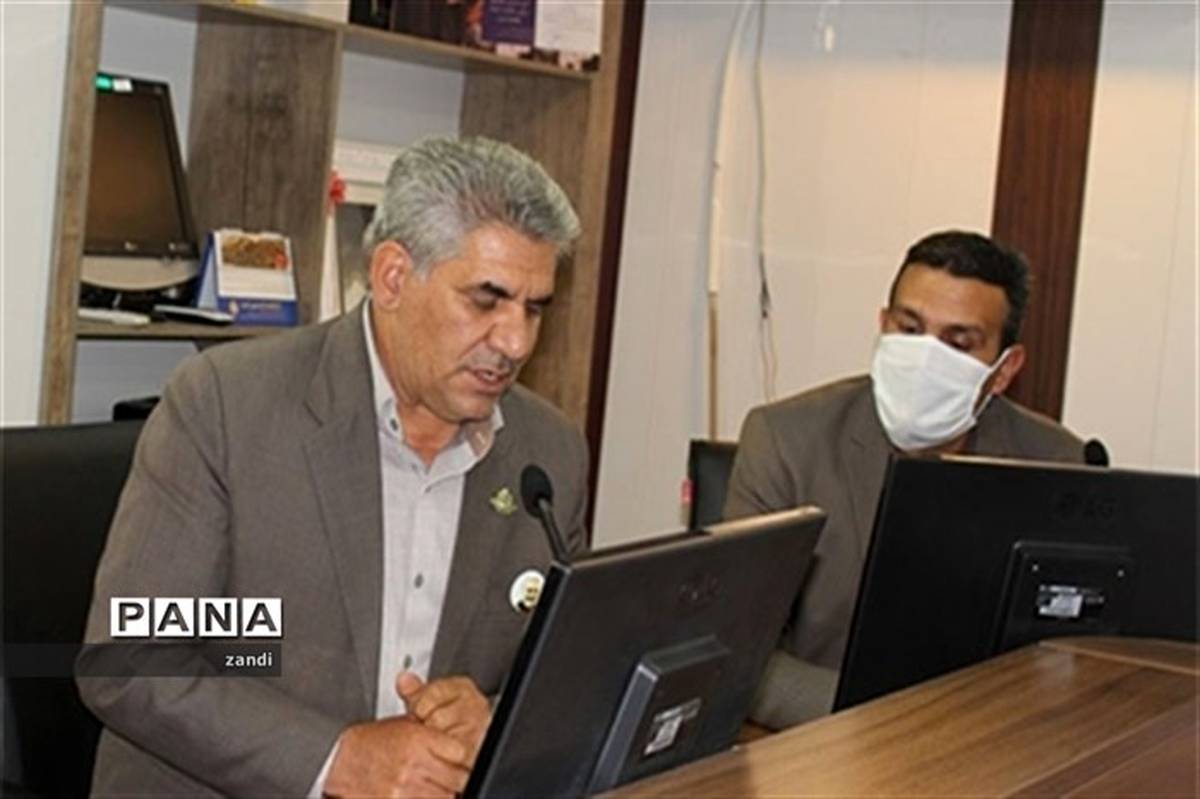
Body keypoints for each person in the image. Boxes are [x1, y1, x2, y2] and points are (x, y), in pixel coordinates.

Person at [77, 136, 589, 797]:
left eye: (534, 307)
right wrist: (337, 758)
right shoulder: (227, 407)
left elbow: (563, 672)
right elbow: (135, 655)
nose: (515, 341)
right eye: (486, 300)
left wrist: (494, 717)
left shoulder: (548, 453)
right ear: (393, 277)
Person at [723, 230, 1085, 730]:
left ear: (1004, 370)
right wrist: (890, 722)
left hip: (985, 741)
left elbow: (1064, 657)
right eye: (909, 329)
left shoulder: (1056, 462)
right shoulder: (786, 440)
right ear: (882, 326)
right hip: (823, 735)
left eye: (958, 343)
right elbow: (738, 652)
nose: (925, 358)